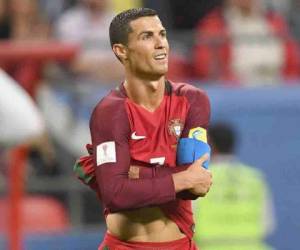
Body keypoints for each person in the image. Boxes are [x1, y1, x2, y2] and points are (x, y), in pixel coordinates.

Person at [73, 7, 213, 250]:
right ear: (121, 51)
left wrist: (134, 173)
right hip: (124, 245)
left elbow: (195, 185)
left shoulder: (192, 100)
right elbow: (116, 194)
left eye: (162, 34)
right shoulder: (111, 112)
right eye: (147, 37)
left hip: (178, 244)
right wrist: (178, 177)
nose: (161, 44)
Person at [193, 123, 275, 250]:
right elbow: (267, 224)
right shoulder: (255, 178)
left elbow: (187, 221)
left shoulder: (198, 178)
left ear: (209, 144)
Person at [193, 0, 299, 85]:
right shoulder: (214, 25)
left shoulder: (275, 21)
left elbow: (293, 63)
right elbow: (207, 68)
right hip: (237, 92)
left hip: (280, 87)